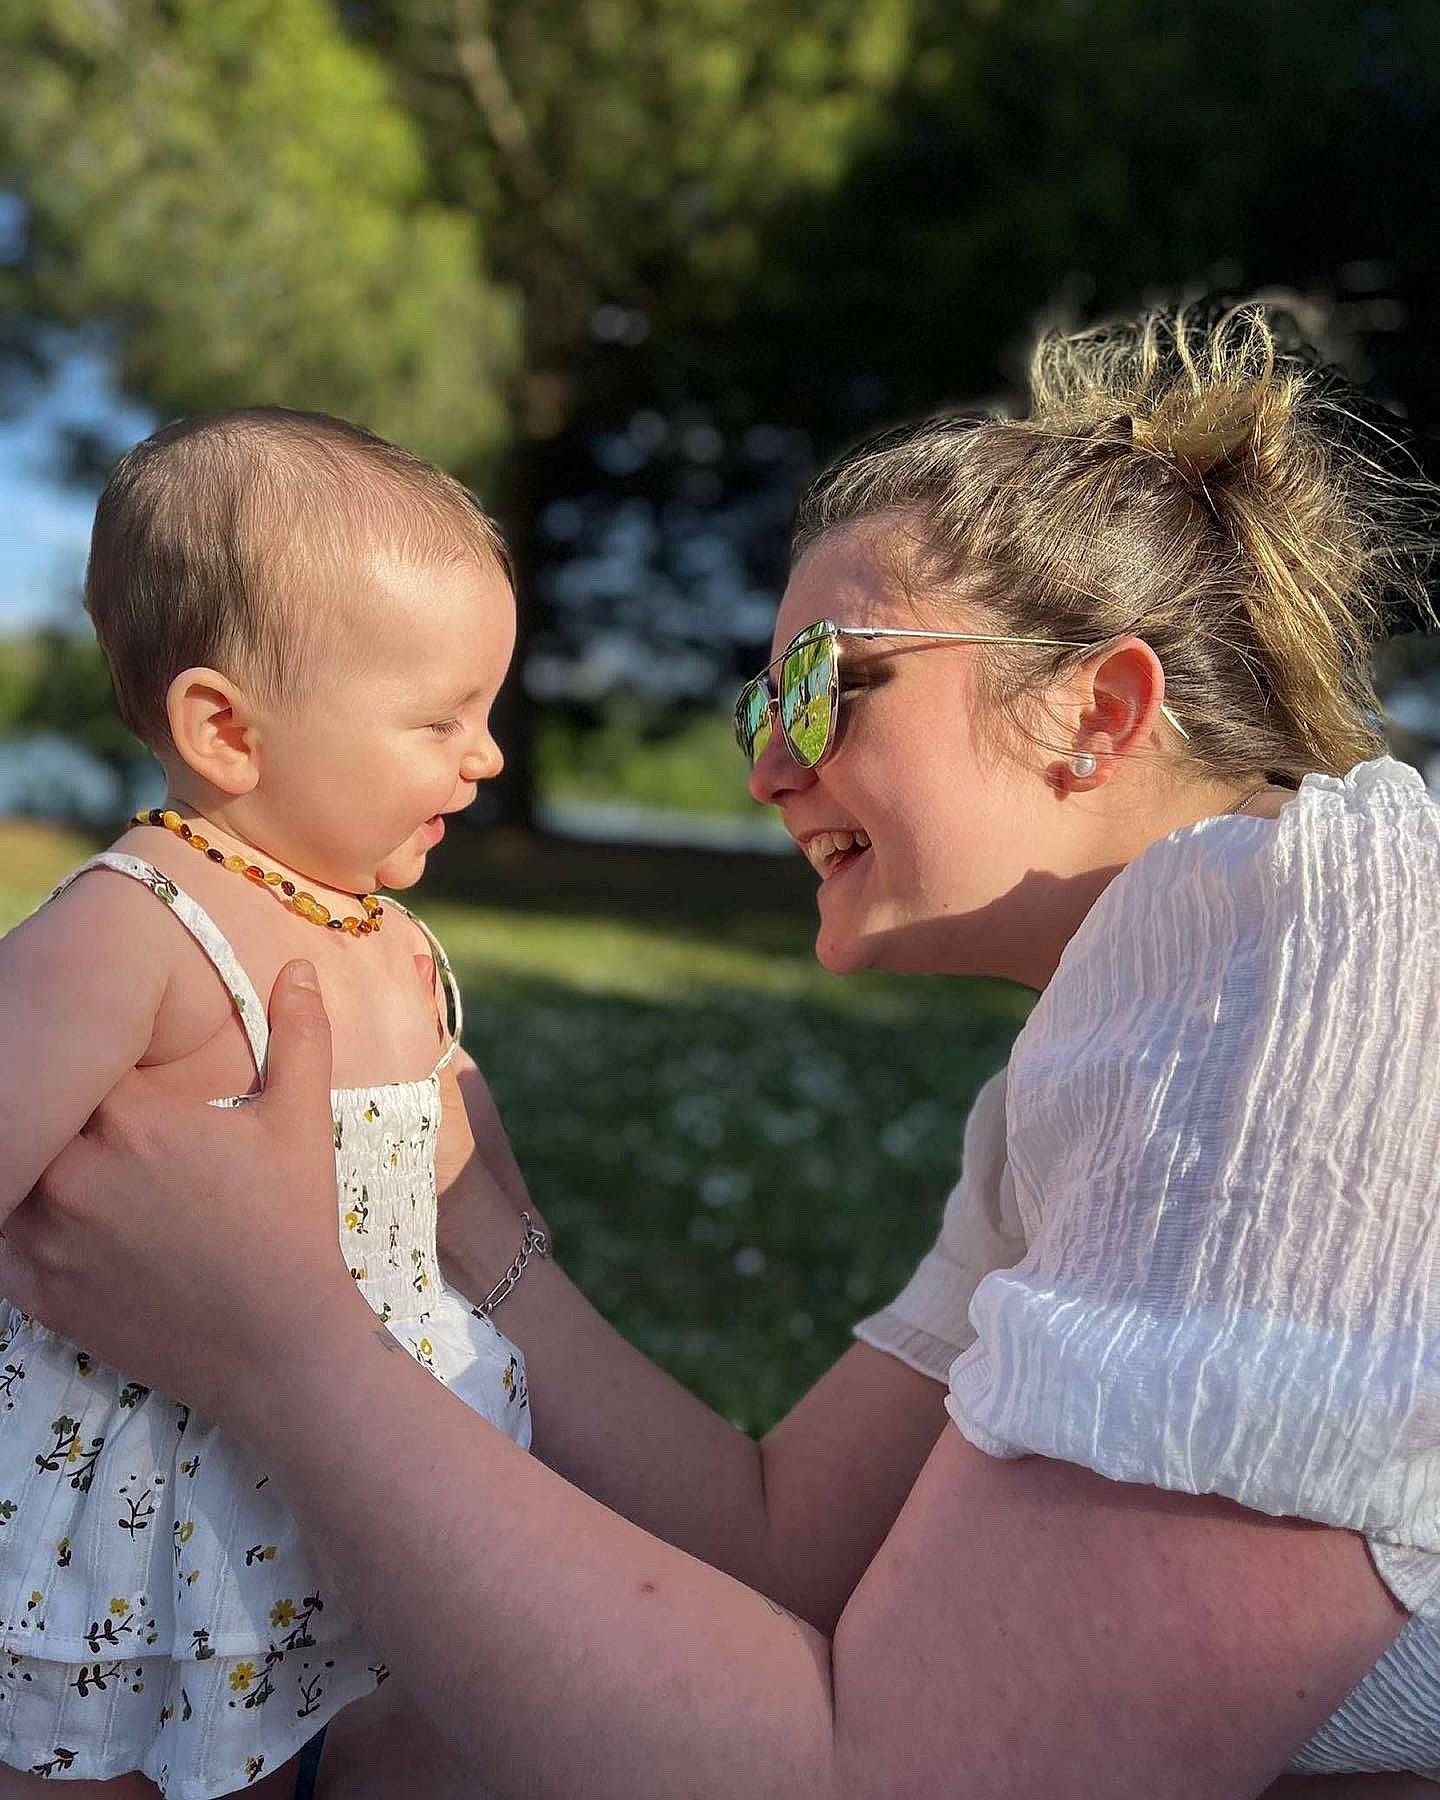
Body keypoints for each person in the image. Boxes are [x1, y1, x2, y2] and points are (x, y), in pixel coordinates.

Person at [5, 304, 1440, 1799]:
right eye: (765, 705)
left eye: (820, 686)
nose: (765, 768)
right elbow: (782, 1547)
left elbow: (903, 1782)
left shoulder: (1323, 975)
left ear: (1100, 706)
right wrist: (468, 1217)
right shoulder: (1105, 1062)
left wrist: (285, 1350)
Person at [0, 411, 535, 1797]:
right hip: (141, 1484)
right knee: (93, 1753)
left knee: (336, 1716)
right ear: (226, 729)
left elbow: (464, 1190)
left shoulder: (391, 936)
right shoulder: (135, 927)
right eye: (443, 719)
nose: (486, 756)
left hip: (347, 1469)